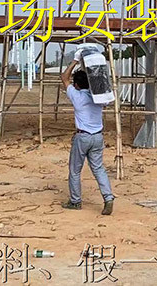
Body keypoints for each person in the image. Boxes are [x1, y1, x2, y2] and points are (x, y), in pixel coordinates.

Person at [61, 59, 114, 215]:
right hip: (98, 137)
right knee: (98, 169)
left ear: (76, 85)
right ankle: (108, 198)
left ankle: (75, 201)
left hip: (83, 137)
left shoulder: (77, 96)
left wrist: (75, 61)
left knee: (75, 171)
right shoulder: (97, 97)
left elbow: (64, 77)